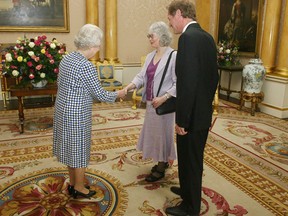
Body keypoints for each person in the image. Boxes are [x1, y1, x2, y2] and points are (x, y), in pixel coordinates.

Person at [53, 24, 126, 199]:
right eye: (99, 44)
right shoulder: (86, 66)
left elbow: (59, 83)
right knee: (78, 148)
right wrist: (119, 94)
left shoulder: (67, 59)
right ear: (91, 45)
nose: (99, 48)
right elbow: (99, 93)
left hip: (62, 108)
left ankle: (73, 182)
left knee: (71, 147)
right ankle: (78, 187)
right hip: (77, 113)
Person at [166, 1, 219, 215]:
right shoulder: (206, 37)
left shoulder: (187, 38)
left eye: (170, 19)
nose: (170, 24)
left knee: (191, 160)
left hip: (191, 116)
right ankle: (187, 190)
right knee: (192, 158)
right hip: (202, 112)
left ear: (179, 13)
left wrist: (182, 120)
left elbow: (186, 84)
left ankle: (190, 207)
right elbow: (213, 77)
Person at [124, 21, 177, 182]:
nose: (149, 39)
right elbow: (141, 76)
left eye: (151, 36)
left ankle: (161, 166)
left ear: (161, 36)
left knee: (163, 134)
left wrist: (164, 97)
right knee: (154, 134)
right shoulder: (149, 56)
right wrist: (131, 85)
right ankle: (161, 161)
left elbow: (178, 82)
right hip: (150, 103)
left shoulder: (174, 56)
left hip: (164, 104)